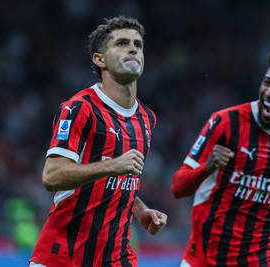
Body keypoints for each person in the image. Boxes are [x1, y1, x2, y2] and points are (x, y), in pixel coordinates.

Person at [29, 16, 167, 267]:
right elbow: (52, 176)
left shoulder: (147, 118)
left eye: (138, 44)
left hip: (117, 258)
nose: (133, 48)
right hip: (64, 257)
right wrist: (114, 165)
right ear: (99, 59)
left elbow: (121, 180)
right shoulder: (80, 108)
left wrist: (140, 210)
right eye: (122, 43)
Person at [171, 48, 270, 267]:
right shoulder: (225, 122)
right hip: (206, 260)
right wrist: (207, 167)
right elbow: (178, 187)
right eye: (267, 82)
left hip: (265, 261)